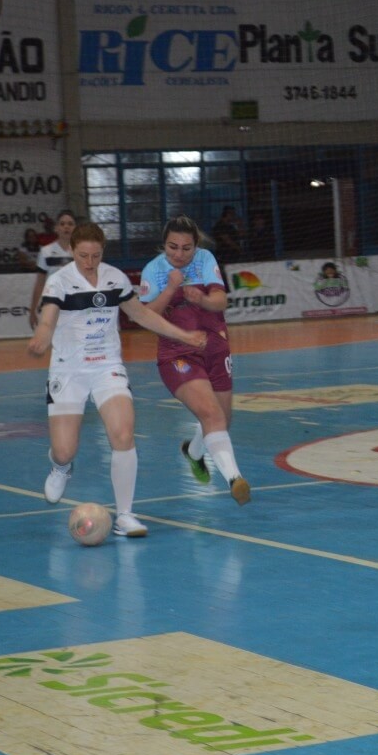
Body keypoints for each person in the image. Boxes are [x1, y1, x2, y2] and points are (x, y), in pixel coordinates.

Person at [27, 222, 208, 538]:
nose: (89, 262)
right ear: (73, 251)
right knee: (64, 450)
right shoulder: (59, 281)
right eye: (83, 255)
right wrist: (42, 337)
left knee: (123, 434)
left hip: (107, 367)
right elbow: (48, 318)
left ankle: (125, 516)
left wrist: (184, 336)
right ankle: (60, 467)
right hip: (68, 371)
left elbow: (142, 314)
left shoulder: (115, 278)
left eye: (96, 255)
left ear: (103, 252)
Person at [139, 216, 251, 506]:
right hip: (177, 354)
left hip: (216, 347)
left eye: (186, 248)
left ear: (196, 245)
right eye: (172, 247)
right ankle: (235, 479)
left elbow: (221, 300)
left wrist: (202, 300)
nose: (179, 254)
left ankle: (194, 452)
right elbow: (145, 316)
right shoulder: (154, 270)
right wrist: (169, 289)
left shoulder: (205, 259)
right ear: (164, 244)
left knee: (222, 419)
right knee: (212, 415)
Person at [29, 210, 77, 328]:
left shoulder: (82, 252)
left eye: (70, 224)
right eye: (62, 224)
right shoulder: (46, 251)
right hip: (52, 304)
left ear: (75, 228)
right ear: (56, 228)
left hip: (76, 304)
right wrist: (32, 309)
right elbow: (40, 282)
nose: (66, 227)